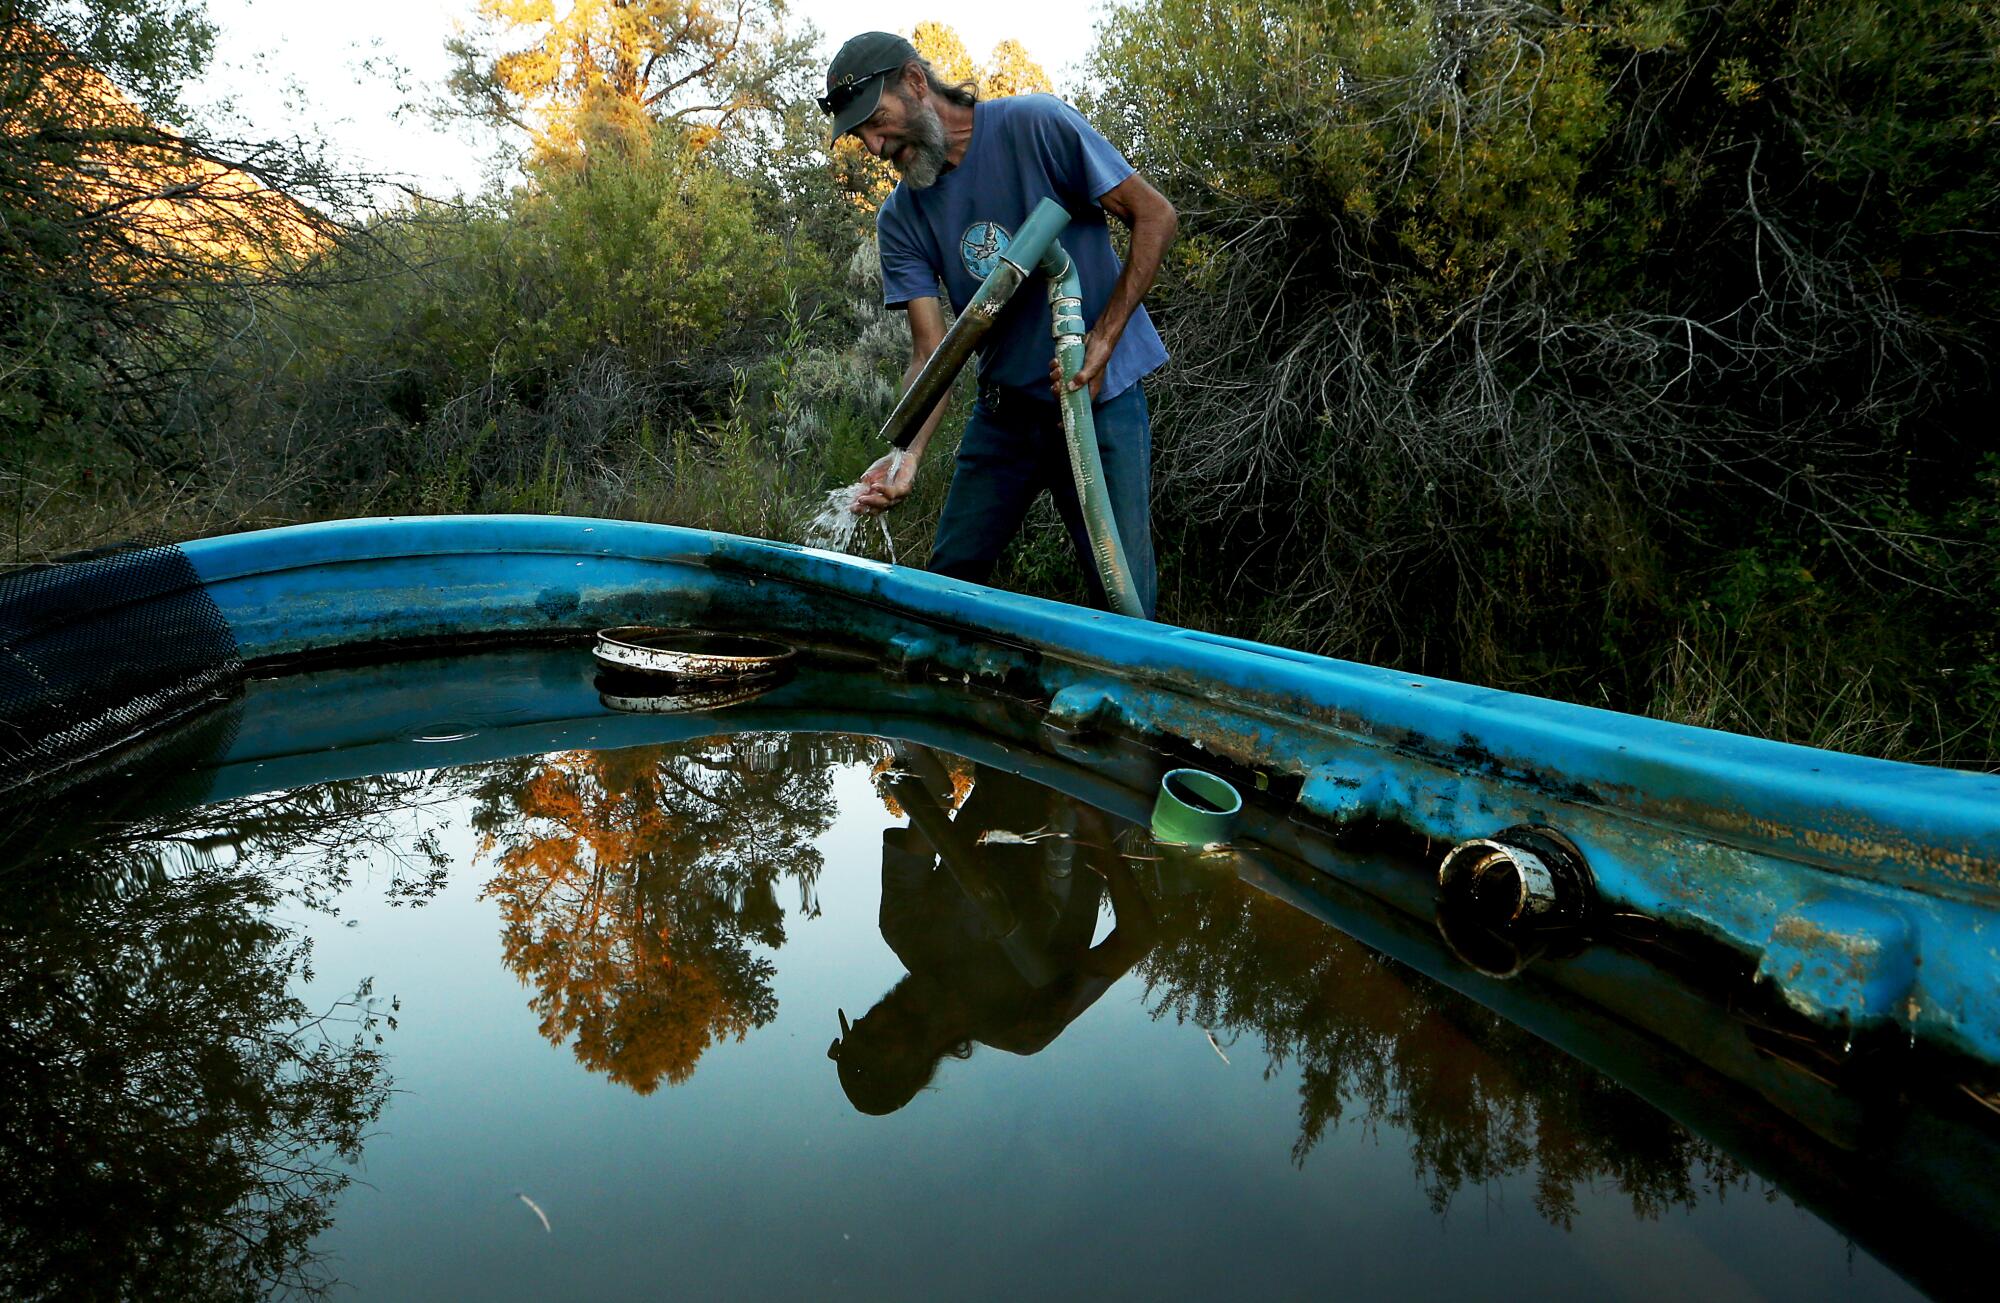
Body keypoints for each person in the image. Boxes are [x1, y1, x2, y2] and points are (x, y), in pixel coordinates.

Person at [818, 31, 1178, 617]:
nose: (877, 146)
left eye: (878, 122)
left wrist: (1104, 336)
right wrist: (906, 451)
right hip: (1006, 417)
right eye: (863, 136)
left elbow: (1154, 215)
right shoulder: (901, 217)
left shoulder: (1036, 126)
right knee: (950, 584)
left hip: (1098, 400)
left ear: (915, 82)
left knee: (1123, 595)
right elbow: (931, 349)